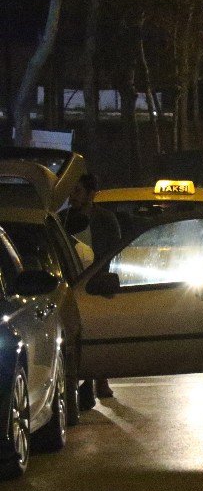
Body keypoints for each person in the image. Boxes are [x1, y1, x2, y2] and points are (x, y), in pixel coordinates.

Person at [62, 174, 122, 408]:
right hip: (74, 285)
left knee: (97, 332)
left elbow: (113, 249)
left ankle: (100, 380)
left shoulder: (105, 219)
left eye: (77, 191)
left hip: (97, 282)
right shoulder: (64, 220)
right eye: (71, 192)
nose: (73, 197)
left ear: (90, 193)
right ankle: (84, 385)